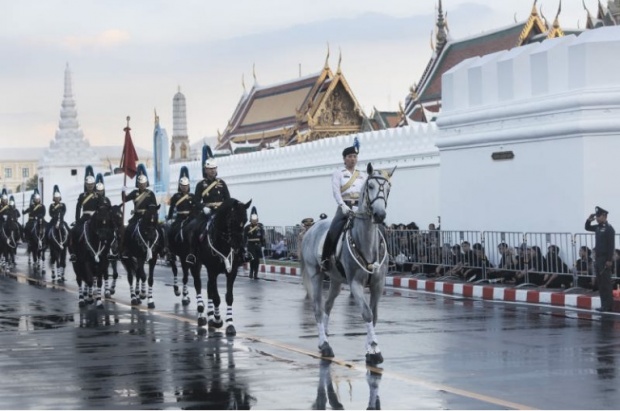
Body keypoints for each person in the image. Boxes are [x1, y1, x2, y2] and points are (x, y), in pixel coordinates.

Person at [320, 137, 367, 271]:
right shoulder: (338, 174)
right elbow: (336, 192)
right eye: (350, 156)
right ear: (344, 159)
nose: (353, 159)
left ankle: (386, 256)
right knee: (333, 229)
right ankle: (326, 259)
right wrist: (342, 205)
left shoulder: (362, 175)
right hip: (345, 206)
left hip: (360, 207)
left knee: (378, 226)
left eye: (355, 156)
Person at [186, 145, 231, 260]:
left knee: (234, 228)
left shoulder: (222, 183)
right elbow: (196, 200)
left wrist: (225, 209)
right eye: (210, 169)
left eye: (214, 168)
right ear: (205, 170)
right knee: (195, 228)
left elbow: (228, 199)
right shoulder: (201, 185)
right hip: (207, 213)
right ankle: (192, 253)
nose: (213, 171)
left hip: (220, 212)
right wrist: (203, 208)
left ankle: (240, 251)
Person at [121, 164, 164, 259]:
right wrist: (123, 192)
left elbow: (154, 207)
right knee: (128, 229)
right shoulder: (134, 193)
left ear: (146, 183)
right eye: (140, 183)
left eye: (144, 183)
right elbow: (124, 199)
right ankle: (126, 249)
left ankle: (163, 249)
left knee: (160, 230)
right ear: (138, 184)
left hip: (148, 217)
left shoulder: (150, 193)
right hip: (137, 216)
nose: (142, 185)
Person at [586, 206, 616, 312]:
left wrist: (609, 260)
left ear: (604, 216)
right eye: (597, 216)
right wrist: (589, 220)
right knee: (600, 283)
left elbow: (611, 246)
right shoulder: (598, 227)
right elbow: (587, 227)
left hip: (604, 259)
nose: (597, 218)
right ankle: (603, 304)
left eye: (599, 216)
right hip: (598, 258)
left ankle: (608, 305)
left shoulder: (609, 229)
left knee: (606, 283)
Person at [167, 166, 198, 264]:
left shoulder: (192, 196)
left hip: (190, 219)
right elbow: (172, 209)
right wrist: (169, 218)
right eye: (183, 186)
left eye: (186, 185)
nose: (185, 187)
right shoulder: (176, 196)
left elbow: (195, 208)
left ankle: (195, 251)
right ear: (180, 186)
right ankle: (171, 251)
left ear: (188, 186)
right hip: (179, 219)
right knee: (171, 231)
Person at [70, 166, 100, 262]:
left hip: (96, 218)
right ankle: (74, 253)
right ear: (86, 185)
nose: (90, 186)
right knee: (74, 231)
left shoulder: (98, 196)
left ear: (94, 184)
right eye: (88, 184)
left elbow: (101, 208)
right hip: (85, 217)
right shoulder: (82, 196)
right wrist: (77, 219)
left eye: (91, 184)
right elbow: (78, 208)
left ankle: (110, 251)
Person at [244, 206, 266, 279]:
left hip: (258, 246)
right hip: (251, 245)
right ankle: (251, 272)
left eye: (255, 219)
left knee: (257, 260)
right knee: (252, 259)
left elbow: (263, 237)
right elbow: (244, 237)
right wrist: (244, 246)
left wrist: (263, 245)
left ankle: (256, 274)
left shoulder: (260, 227)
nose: (254, 221)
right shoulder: (247, 228)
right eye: (253, 219)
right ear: (250, 219)